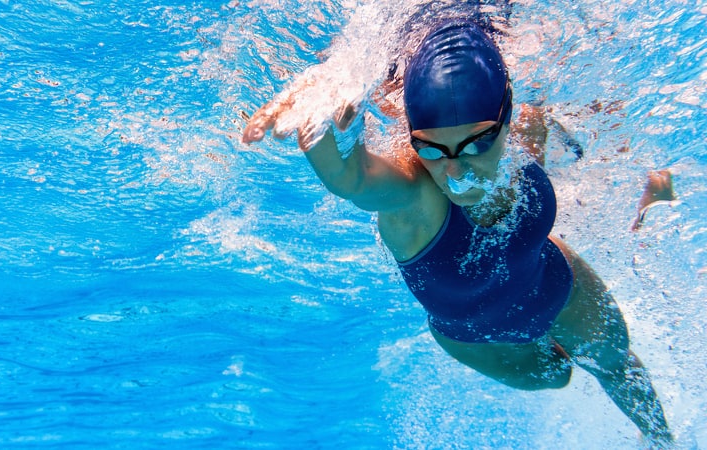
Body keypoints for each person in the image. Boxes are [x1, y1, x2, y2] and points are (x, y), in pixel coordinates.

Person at [242, 14, 673, 446]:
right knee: (557, 375)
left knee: (617, 365)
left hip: (556, 284)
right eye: (431, 147)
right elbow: (352, 178)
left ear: (505, 119)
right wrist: (323, 108)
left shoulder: (523, 130)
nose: (454, 170)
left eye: (479, 143)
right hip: (480, 338)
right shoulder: (418, 198)